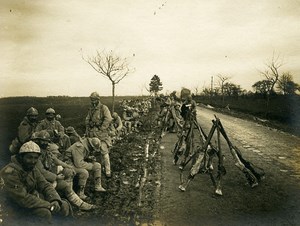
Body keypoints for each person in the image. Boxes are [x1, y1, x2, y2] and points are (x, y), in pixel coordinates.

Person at [0, 141, 71, 224]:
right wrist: (48, 205)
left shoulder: (31, 168)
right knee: (44, 213)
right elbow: (22, 198)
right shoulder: (10, 172)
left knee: (63, 205)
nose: (33, 161)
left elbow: (45, 185)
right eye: (29, 157)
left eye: (35, 158)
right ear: (21, 157)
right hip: (12, 209)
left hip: (28, 204)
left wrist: (54, 200)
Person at [31, 130, 95, 211]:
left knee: (66, 184)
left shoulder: (46, 151)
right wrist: (57, 177)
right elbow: (42, 172)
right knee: (60, 186)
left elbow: (56, 161)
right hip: (40, 180)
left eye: (46, 141)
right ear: (38, 140)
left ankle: (80, 204)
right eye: (42, 141)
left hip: (49, 177)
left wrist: (68, 166)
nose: (44, 143)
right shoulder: (35, 154)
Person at [85, 91, 112, 178]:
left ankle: (108, 171)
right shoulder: (91, 109)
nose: (92, 101)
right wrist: (88, 127)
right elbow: (87, 119)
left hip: (101, 134)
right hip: (92, 133)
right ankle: (95, 170)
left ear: (98, 99)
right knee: (92, 153)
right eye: (91, 100)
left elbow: (108, 119)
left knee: (104, 152)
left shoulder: (103, 108)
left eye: (94, 99)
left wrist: (101, 128)